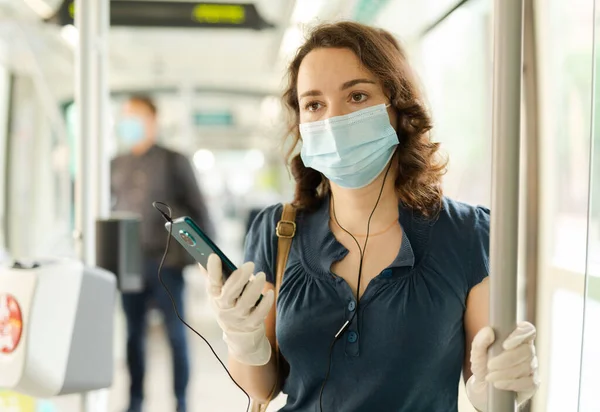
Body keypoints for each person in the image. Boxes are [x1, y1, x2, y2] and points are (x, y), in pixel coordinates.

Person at [205, 22, 539, 412]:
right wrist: (242, 338)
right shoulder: (277, 231)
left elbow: (488, 383)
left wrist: (501, 384)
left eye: (357, 96)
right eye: (314, 104)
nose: (333, 120)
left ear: (398, 108)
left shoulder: (467, 233)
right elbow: (262, 389)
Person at [111, 95, 214, 412]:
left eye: (136, 117)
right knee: (133, 336)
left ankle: (181, 403)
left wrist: (208, 260)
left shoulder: (173, 161)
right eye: (125, 117)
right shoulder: (116, 164)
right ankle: (135, 402)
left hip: (167, 262)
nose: (128, 123)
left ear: (152, 122)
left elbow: (200, 209)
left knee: (175, 336)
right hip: (129, 262)